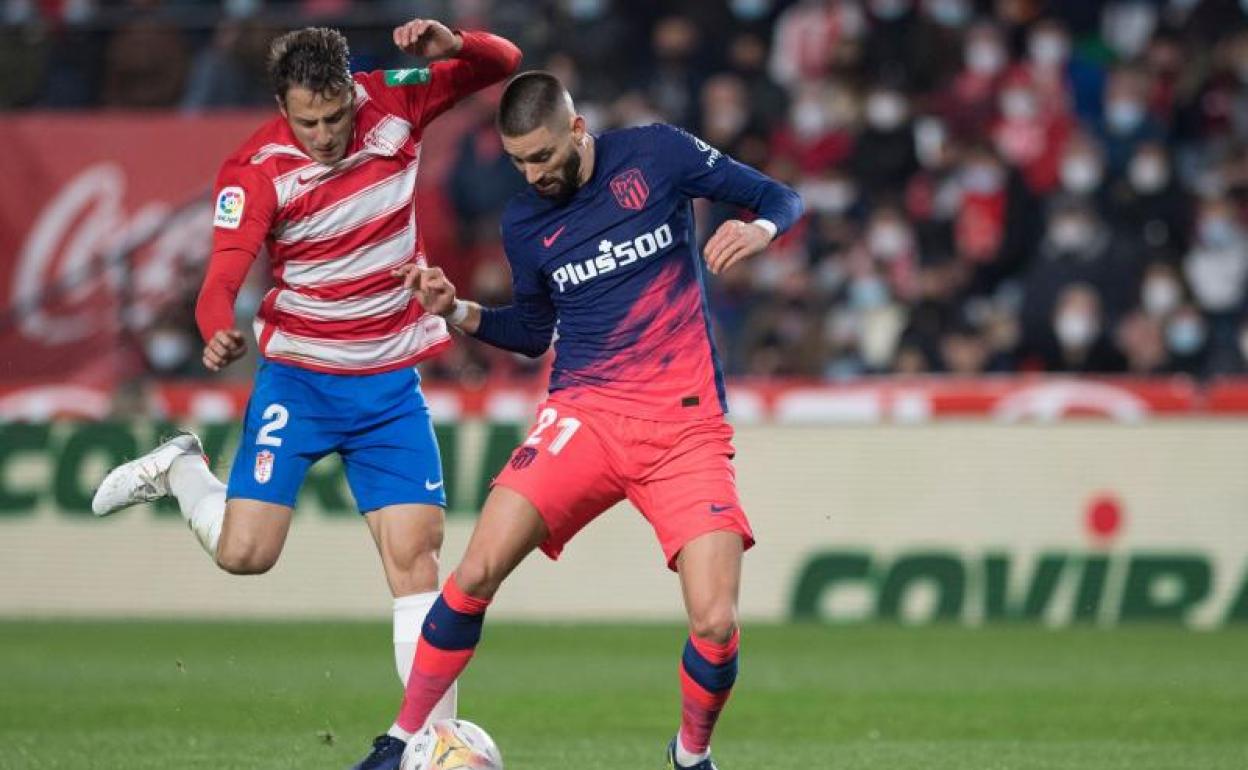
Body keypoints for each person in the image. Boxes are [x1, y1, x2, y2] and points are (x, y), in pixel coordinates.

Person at [352, 71, 803, 770]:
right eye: (518, 161)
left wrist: (761, 228)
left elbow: (780, 194)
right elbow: (533, 331)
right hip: (584, 416)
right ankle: (399, 743)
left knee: (715, 624)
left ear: (577, 132)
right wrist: (456, 312)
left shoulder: (656, 155)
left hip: (684, 427)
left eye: (541, 157)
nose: (531, 173)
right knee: (474, 572)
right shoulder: (524, 223)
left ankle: (690, 756)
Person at [89, 16, 520, 738]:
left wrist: (458, 46)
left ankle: (428, 742)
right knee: (246, 554)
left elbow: (503, 61)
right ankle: (185, 468)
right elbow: (219, 278)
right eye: (306, 121)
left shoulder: (396, 101)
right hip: (301, 381)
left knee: (417, 558)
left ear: (352, 93)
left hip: (388, 383)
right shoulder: (254, 170)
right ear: (281, 108)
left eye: (333, 116)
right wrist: (215, 327)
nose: (323, 134)